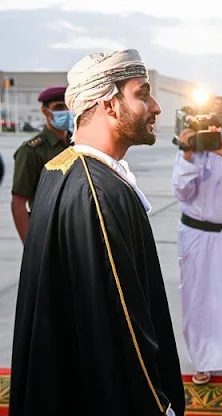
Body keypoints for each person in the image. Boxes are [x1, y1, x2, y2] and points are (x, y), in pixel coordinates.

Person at [9, 49, 185, 416]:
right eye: (142, 94)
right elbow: (125, 327)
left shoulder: (62, 168)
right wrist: (158, 404)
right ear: (109, 103)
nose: (156, 107)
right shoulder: (99, 192)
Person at [172, 95, 222, 385]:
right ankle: (202, 360)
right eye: (210, 115)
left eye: (221, 117)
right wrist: (187, 155)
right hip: (196, 234)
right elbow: (181, 192)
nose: (215, 121)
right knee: (195, 298)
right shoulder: (191, 151)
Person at [11, 86, 73, 242]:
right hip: (48, 233)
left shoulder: (77, 144)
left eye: (68, 106)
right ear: (46, 112)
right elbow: (18, 202)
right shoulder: (31, 151)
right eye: (59, 107)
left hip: (78, 231)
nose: (66, 112)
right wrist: (30, 246)